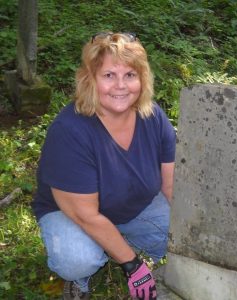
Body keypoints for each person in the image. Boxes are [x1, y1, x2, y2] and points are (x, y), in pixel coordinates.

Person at [32, 32, 176, 300]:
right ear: (91, 80)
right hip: (73, 215)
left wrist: (192, 230)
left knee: (185, 237)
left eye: (130, 75)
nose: (121, 85)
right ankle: (83, 276)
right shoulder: (70, 131)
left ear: (142, 79)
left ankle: (117, 238)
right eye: (109, 75)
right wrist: (133, 266)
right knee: (77, 260)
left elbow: (171, 185)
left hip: (135, 206)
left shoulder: (153, 117)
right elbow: (86, 214)